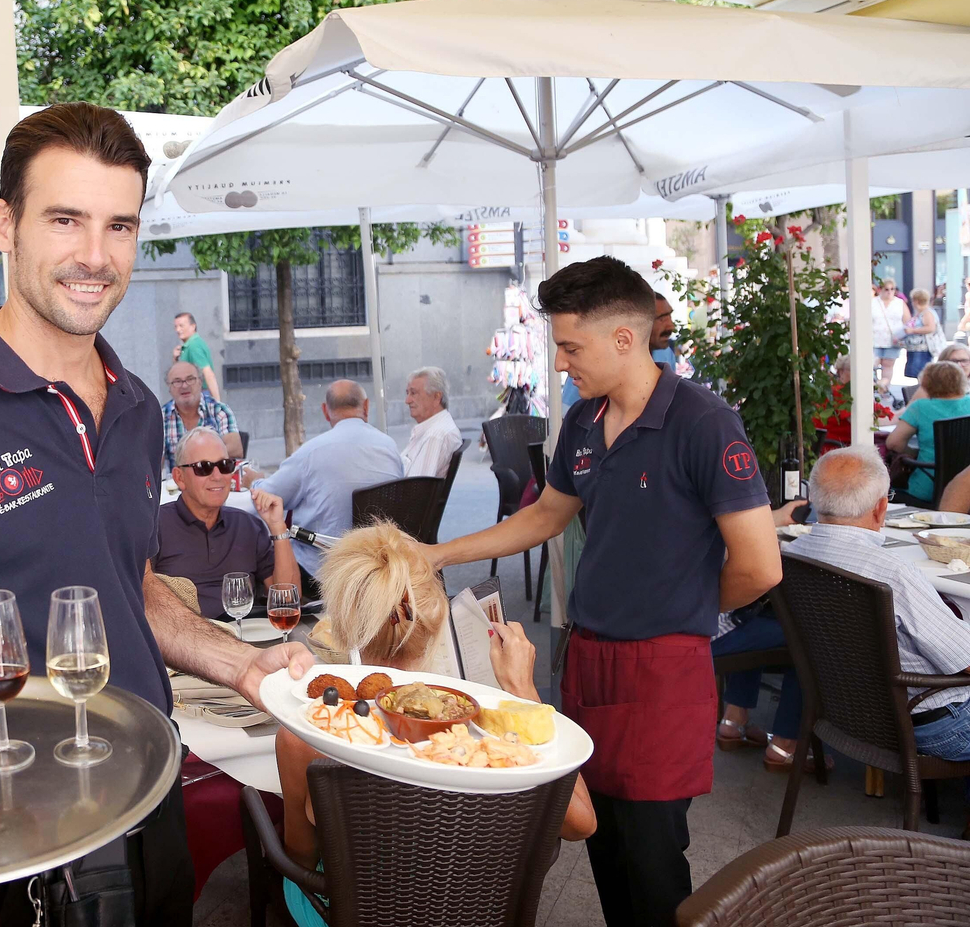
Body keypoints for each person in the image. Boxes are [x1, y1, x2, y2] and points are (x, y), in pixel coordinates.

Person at [0, 102, 313, 927]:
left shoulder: (139, 405)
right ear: (4, 225)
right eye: (65, 220)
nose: (95, 255)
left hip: (149, 787)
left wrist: (241, 665)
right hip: (4, 823)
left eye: (120, 226)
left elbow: (128, 583)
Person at [422, 255, 781, 927]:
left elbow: (761, 567)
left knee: (651, 861)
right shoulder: (585, 422)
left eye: (569, 346)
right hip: (586, 658)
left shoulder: (704, 422)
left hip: (662, 669)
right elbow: (545, 516)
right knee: (595, 833)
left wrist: (684, 608)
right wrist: (437, 553)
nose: (561, 362)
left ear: (624, 338)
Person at [274, 523, 595, 927]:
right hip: (477, 911)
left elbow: (300, 856)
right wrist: (522, 691)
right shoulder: (486, 737)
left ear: (345, 626)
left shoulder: (303, 737)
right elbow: (583, 823)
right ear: (435, 625)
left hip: (349, 910)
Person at [786, 448, 970, 770]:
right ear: (882, 507)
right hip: (928, 724)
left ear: (814, 498)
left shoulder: (793, 553)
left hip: (848, 714)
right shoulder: (892, 573)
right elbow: (966, 661)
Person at [250, 380, 404, 586]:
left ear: (325, 410)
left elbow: (268, 498)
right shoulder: (390, 446)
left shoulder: (311, 452)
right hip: (380, 567)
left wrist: (254, 481)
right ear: (366, 406)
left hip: (322, 571)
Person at [712, 497, 817, 773]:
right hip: (705, 629)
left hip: (693, 622)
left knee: (759, 614)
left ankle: (734, 722)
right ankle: (785, 745)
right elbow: (756, 569)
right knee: (806, 637)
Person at [154, 427, 299, 618]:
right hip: (183, 642)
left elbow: (287, 602)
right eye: (203, 467)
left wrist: (278, 526)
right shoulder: (156, 527)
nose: (217, 476)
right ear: (179, 478)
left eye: (224, 465)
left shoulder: (248, 526)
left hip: (247, 637)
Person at [563, 288, 674, 410]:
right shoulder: (592, 361)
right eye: (662, 319)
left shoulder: (666, 354)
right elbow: (567, 410)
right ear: (640, 322)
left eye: (670, 316)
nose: (671, 326)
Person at [886, 361, 970, 504]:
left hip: (926, 487)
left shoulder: (920, 407)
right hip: (965, 489)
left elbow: (893, 443)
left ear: (927, 382)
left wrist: (913, 454)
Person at [161, 359, 242, 466]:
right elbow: (154, 461)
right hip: (178, 481)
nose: (184, 386)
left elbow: (236, 449)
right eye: (177, 381)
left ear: (200, 382)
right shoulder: (161, 417)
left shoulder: (219, 410)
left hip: (215, 477)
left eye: (190, 379)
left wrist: (196, 460)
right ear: (169, 388)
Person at [401, 366, 463, 478]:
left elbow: (416, 489)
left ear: (436, 397)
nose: (407, 400)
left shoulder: (435, 436)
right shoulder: (434, 428)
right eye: (407, 393)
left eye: (413, 393)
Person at [873, 278, 909, 403]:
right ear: (880, 290)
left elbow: (907, 321)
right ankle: (876, 386)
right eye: (886, 289)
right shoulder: (873, 302)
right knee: (873, 364)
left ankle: (884, 390)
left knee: (888, 366)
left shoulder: (900, 303)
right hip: (874, 339)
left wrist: (904, 334)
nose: (889, 292)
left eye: (892, 289)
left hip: (893, 341)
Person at [172, 311, 221, 400]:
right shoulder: (189, 346)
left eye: (181, 326)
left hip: (199, 395)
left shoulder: (194, 346)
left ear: (193, 326)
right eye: (176, 327)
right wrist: (175, 359)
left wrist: (218, 404)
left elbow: (208, 373)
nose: (178, 330)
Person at [903, 287, 943, 380]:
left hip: (923, 349)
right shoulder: (920, 313)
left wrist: (912, 330)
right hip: (916, 348)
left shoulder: (927, 313)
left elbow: (930, 328)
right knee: (918, 375)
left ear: (916, 301)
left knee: (922, 374)